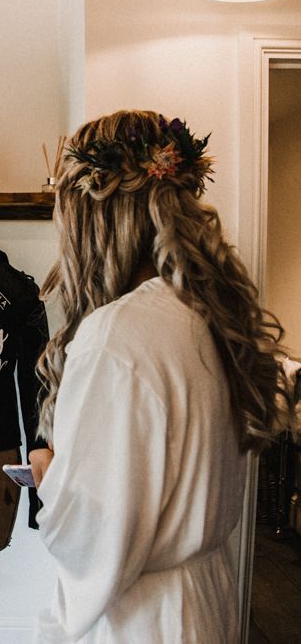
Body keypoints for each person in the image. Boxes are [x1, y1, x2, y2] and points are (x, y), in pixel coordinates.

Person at [28, 110, 291, 643]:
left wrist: (48, 476)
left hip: (140, 620)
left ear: (89, 217)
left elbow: (95, 540)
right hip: (205, 602)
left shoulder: (117, 337)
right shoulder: (206, 319)